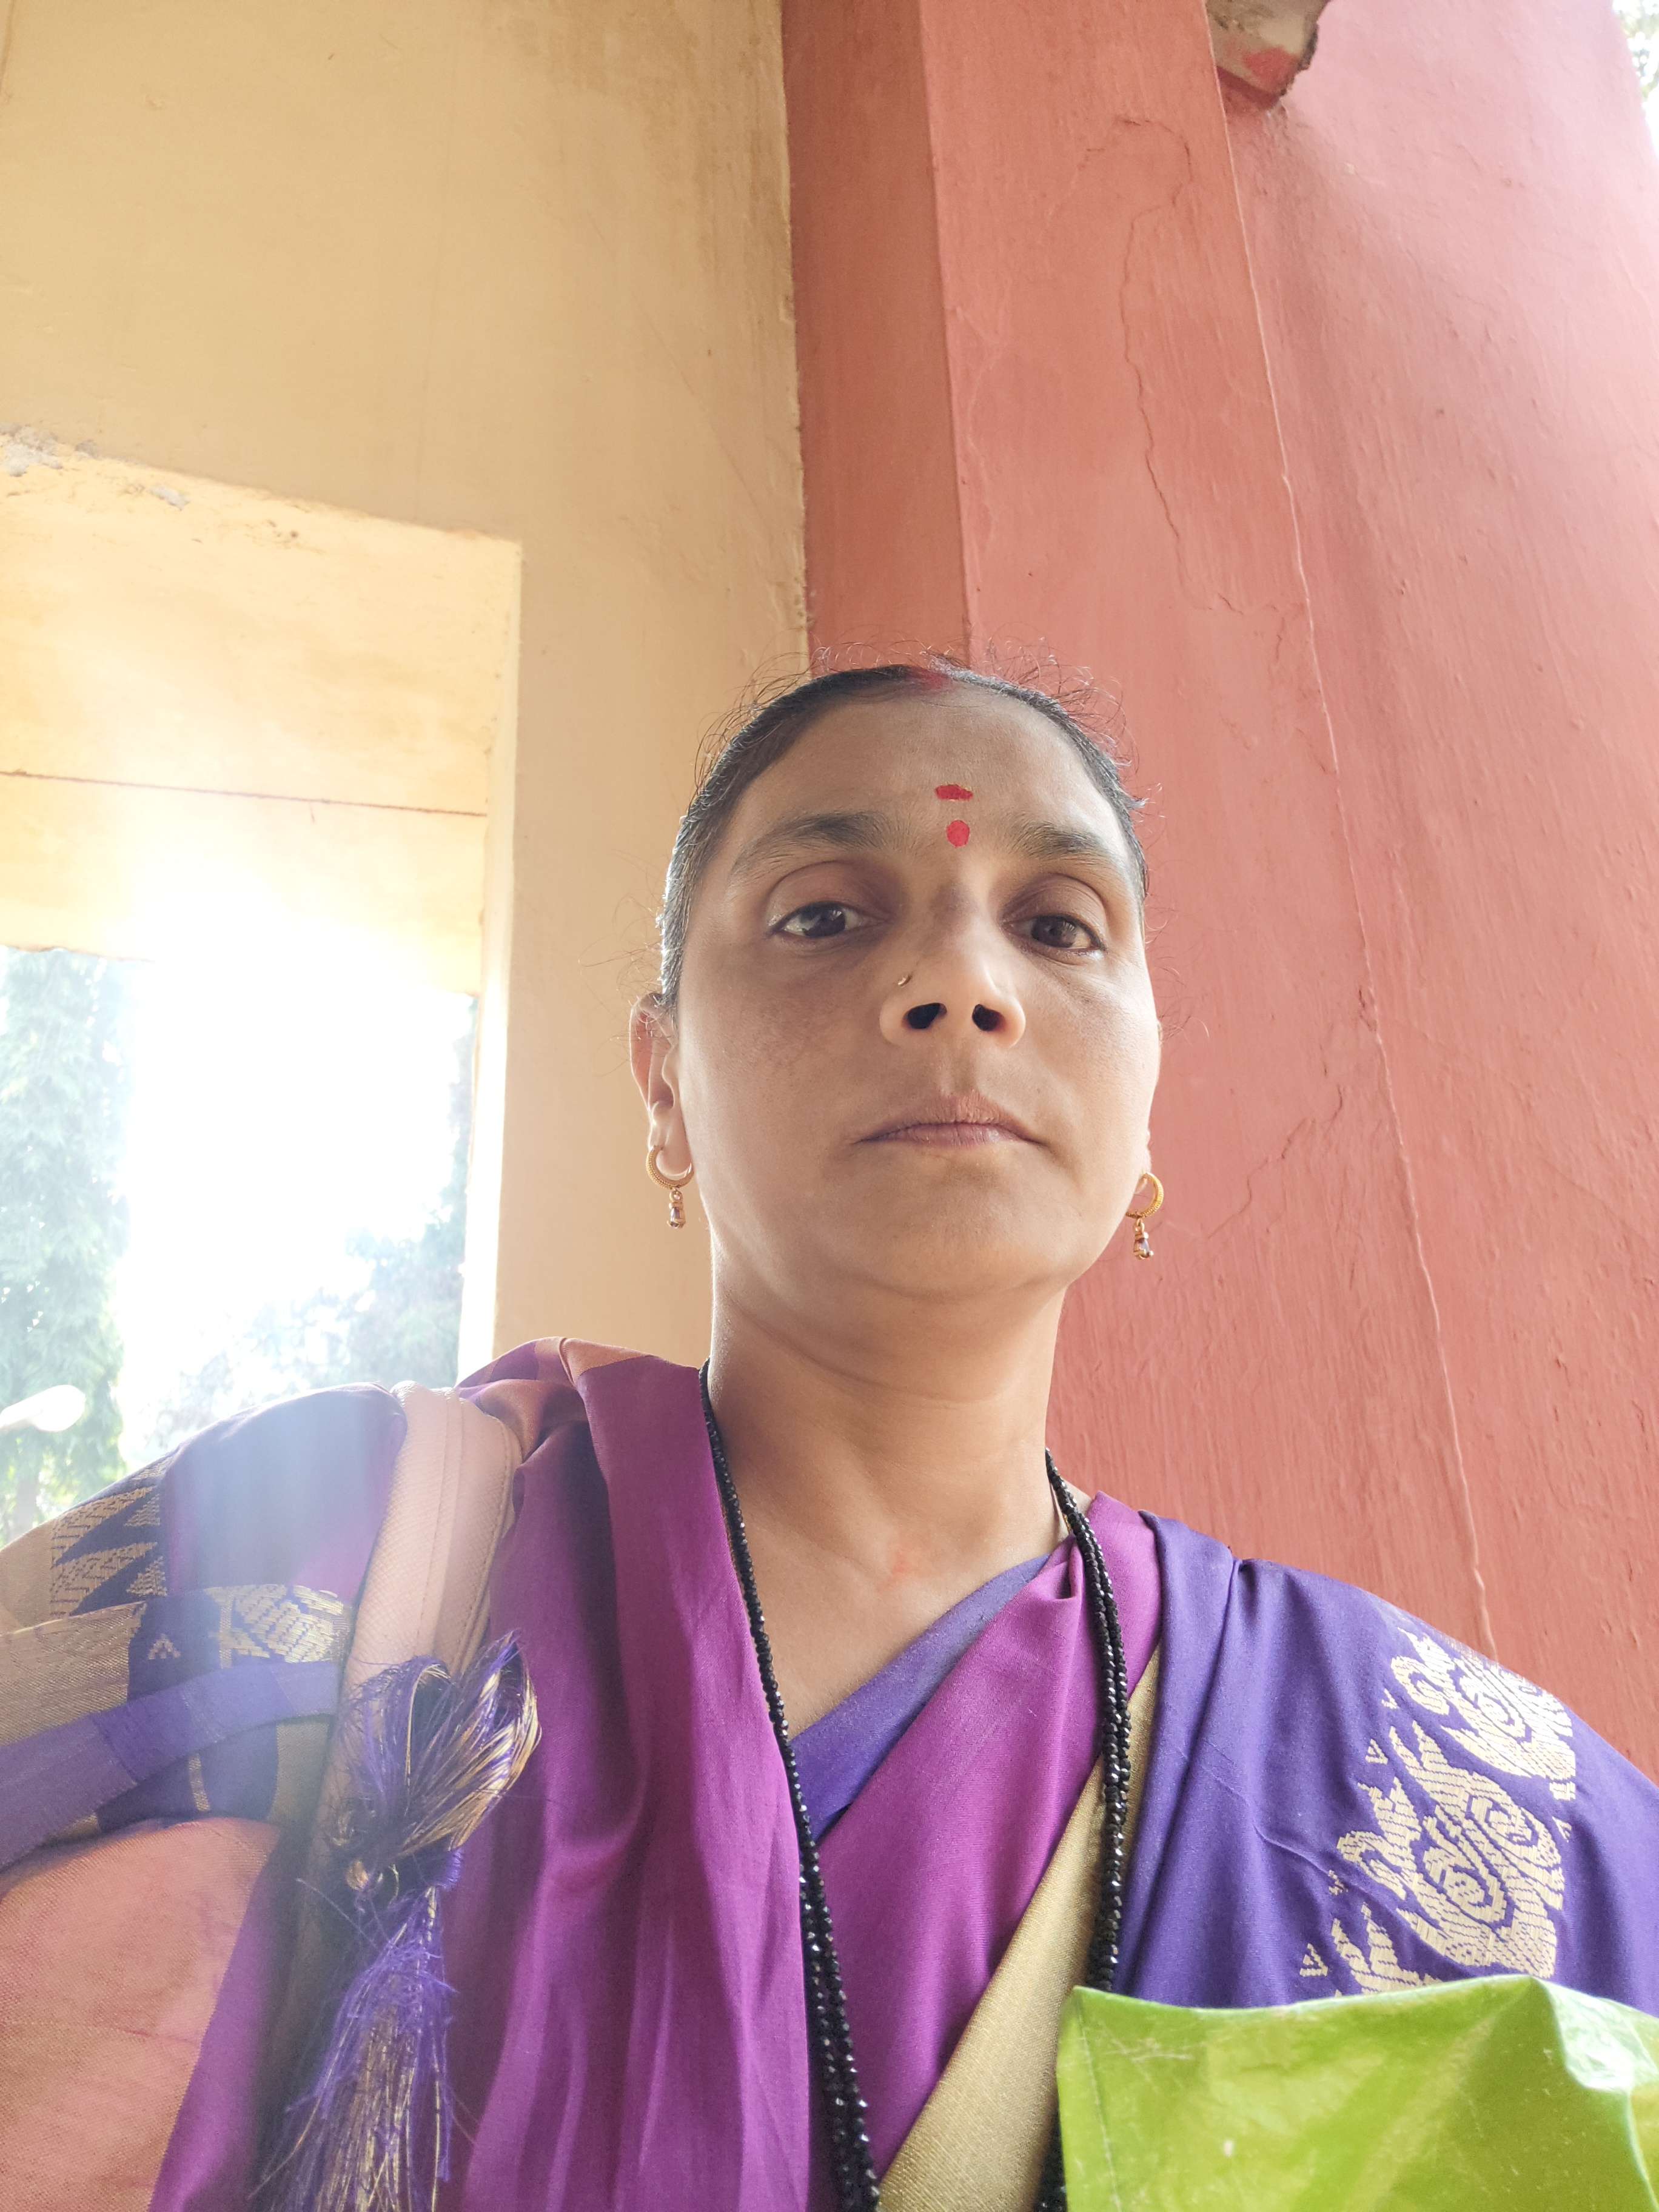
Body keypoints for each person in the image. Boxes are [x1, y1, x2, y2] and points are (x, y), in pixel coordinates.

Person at [2, 662, 1656, 2212]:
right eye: (824, 916)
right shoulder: (321, 1555)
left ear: (1150, 1099)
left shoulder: (1445, 1790)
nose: (961, 984)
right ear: (662, 1079)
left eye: (1059, 927)